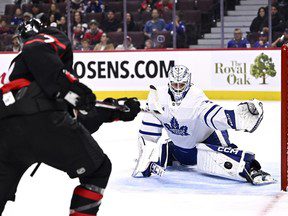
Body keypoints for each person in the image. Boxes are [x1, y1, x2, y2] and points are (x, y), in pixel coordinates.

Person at [0, 18, 140, 215]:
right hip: (40, 121)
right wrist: (70, 89)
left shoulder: (19, 72)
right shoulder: (42, 43)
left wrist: (116, 111)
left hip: (7, 134)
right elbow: (37, 50)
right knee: (98, 170)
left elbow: (77, 118)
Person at [133, 65, 275, 186]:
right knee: (176, 150)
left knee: (226, 156)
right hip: (183, 148)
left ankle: (250, 168)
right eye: (174, 85)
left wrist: (236, 118)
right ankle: (170, 152)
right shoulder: (157, 97)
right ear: (169, 83)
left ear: (188, 83)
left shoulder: (196, 97)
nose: (177, 89)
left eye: (181, 85)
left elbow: (213, 115)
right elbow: (148, 134)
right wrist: (144, 159)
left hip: (209, 138)